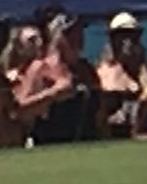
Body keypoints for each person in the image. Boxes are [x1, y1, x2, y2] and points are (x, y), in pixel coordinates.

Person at [17, 14, 101, 145]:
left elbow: (99, 113)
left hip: (86, 144)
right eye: (70, 34)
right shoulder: (40, 67)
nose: (77, 39)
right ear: (57, 37)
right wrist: (53, 93)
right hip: (51, 144)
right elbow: (20, 110)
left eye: (80, 33)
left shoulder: (86, 69)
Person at [97, 12, 147, 140]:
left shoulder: (144, 71)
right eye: (121, 37)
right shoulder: (105, 72)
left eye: (132, 36)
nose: (127, 42)